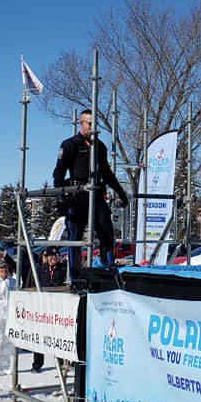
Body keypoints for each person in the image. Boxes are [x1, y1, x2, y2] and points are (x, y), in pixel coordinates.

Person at [52, 109, 129, 278]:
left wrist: (120, 192)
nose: (93, 128)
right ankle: (75, 277)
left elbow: (106, 172)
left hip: (96, 194)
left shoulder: (100, 146)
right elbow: (59, 172)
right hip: (78, 195)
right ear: (81, 123)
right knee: (76, 237)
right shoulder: (70, 144)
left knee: (107, 233)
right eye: (89, 124)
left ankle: (107, 270)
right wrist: (61, 196)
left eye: (95, 125)